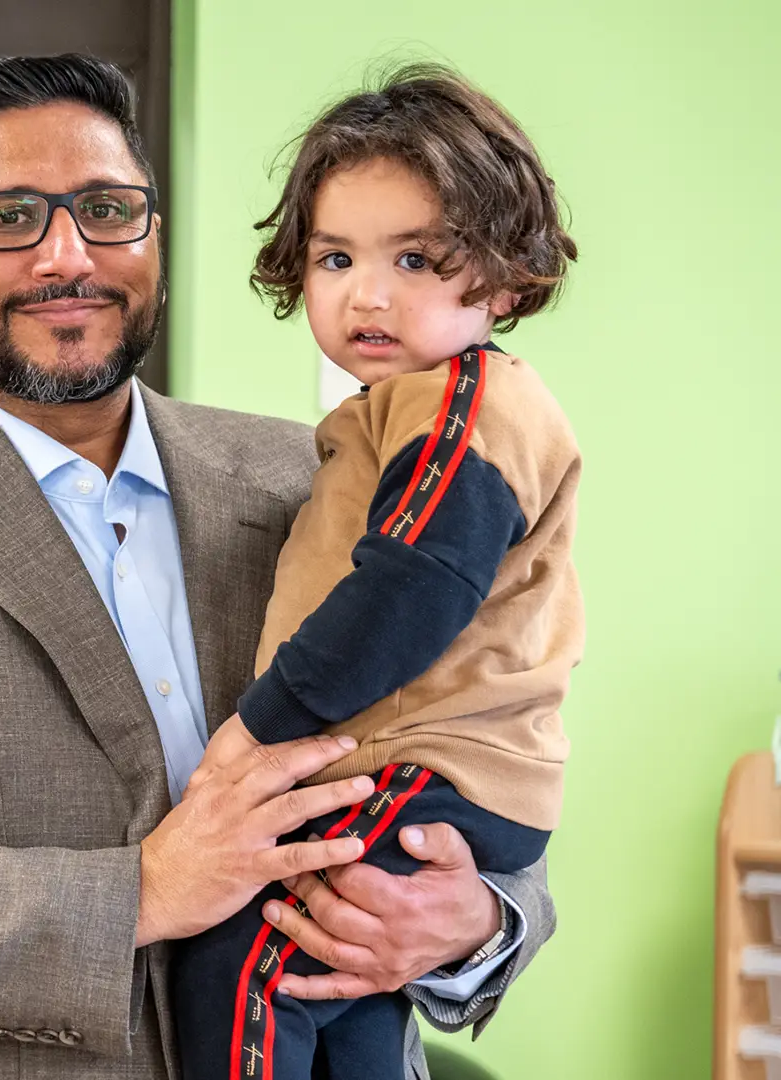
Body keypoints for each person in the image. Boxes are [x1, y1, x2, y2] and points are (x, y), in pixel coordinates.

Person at [0, 54, 552, 1079]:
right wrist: (143, 890)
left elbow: (472, 736)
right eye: (7, 217)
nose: (67, 255)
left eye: (106, 209)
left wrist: (470, 926)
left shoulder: (309, 474)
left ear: (156, 241)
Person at [173, 64, 580, 1080]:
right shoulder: (396, 417)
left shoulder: (463, 406)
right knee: (338, 987)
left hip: (422, 768)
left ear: (505, 274)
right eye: (336, 256)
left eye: (414, 257)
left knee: (245, 948)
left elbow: (411, 590)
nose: (366, 291)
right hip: (430, 771)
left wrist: (259, 728)